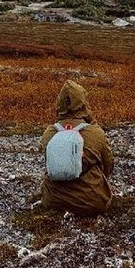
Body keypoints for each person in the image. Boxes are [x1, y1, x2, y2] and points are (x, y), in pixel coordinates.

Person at [40, 79, 114, 215]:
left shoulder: (49, 133)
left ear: (59, 104)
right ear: (84, 103)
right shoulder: (95, 133)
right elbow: (108, 166)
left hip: (52, 201)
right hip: (91, 203)